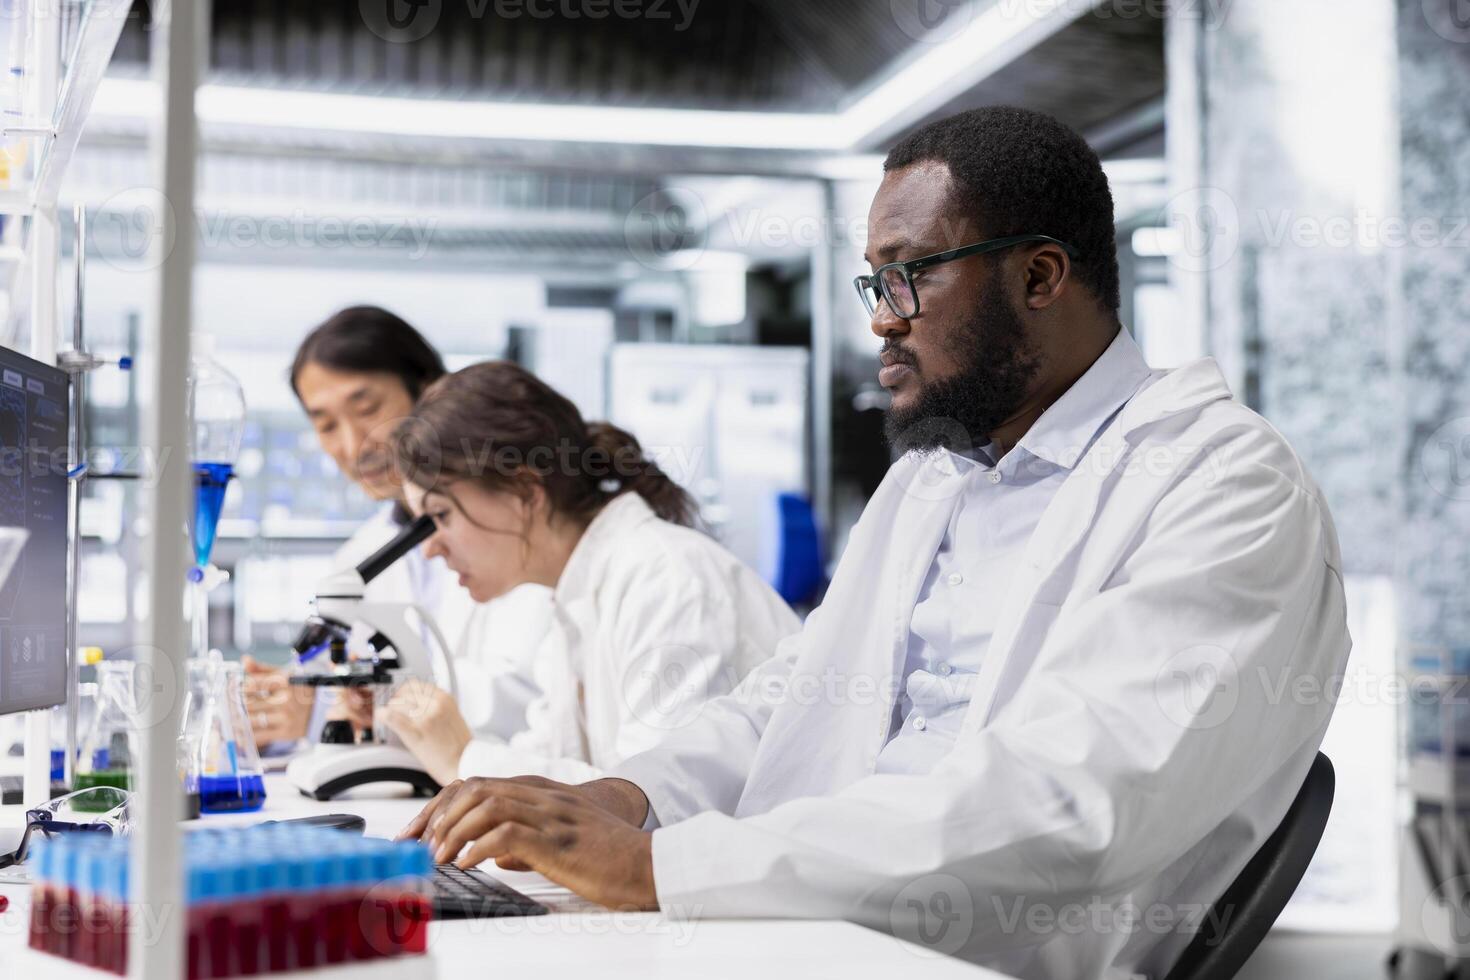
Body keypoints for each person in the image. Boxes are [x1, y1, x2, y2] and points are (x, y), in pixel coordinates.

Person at [397, 106, 1352, 980]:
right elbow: (791, 697)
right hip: (812, 931)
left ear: (1039, 276)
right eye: (875, 278)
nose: (881, 316)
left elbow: (1069, 804)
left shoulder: (1222, 483)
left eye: (911, 273)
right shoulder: (934, 477)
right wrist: (630, 799)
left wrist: (664, 867)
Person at [372, 361, 801, 787]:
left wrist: (463, 759)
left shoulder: (665, 579)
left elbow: (653, 801)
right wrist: (417, 734)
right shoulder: (577, 599)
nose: (430, 548)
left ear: (524, 493)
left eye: (440, 515)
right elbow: (547, 757)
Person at [243, 307, 547, 752]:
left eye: (367, 409)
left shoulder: (514, 526)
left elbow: (532, 701)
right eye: (326, 425)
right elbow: (343, 701)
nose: (353, 446)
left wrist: (363, 700)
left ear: (429, 391)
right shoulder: (357, 558)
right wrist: (290, 711)